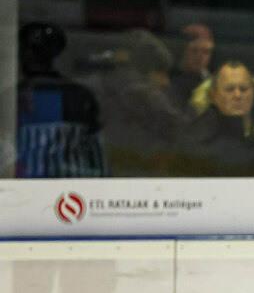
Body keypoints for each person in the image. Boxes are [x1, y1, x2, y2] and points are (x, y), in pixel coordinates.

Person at [16, 21, 107, 178]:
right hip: (19, 193)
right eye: (28, 50)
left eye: (36, 51)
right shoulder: (12, 97)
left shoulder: (77, 95)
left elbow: (95, 152)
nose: (29, 56)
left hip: (72, 191)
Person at [94, 28, 188, 176]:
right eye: (161, 72)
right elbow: (183, 130)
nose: (166, 82)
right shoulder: (146, 95)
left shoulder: (101, 88)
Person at [168, 23, 215, 113]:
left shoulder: (214, 82)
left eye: (206, 51)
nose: (200, 57)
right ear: (182, 50)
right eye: (194, 50)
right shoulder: (168, 79)